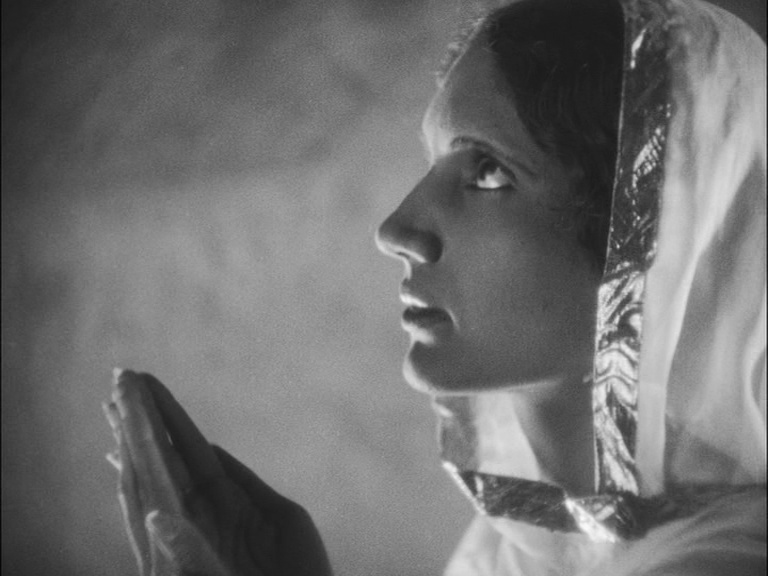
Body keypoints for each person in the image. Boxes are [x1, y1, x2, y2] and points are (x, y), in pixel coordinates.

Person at [103, 0, 767, 574]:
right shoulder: (525, 543)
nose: (396, 230)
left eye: (488, 172)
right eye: (433, 160)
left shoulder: (718, 563)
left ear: (654, 232)